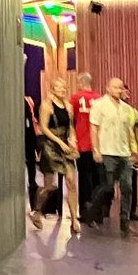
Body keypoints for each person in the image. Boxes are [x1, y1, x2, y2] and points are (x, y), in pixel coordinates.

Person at [88, 77, 138, 233]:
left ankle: (125, 221)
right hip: (107, 151)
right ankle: (92, 213)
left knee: (127, 187)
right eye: (116, 87)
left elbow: (131, 131)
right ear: (108, 88)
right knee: (108, 187)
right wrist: (96, 149)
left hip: (123, 153)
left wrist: (134, 151)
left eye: (121, 88)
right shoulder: (99, 105)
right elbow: (94, 128)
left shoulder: (127, 109)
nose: (119, 90)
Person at [33, 76, 80, 232]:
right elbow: (44, 127)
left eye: (64, 87)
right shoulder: (47, 105)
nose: (62, 90)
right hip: (50, 145)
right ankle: (38, 210)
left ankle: (74, 219)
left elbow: (71, 126)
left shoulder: (68, 106)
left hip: (64, 144)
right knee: (50, 186)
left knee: (72, 182)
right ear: (52, 89)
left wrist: (72, 140)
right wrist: (59, 143)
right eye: (59, 87)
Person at [70, 73, 102, 222]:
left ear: (81, 82)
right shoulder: (100, 99)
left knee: (84, 177)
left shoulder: (76, 98)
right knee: (97, 178)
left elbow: (71, 118)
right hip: (99, 145)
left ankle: (85, 210)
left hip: (82, 144)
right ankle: (98, 210)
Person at [121, 84, 138, 223]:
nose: (126, 92)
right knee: (108, 183)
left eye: (126, 90)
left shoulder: (133, 111)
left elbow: (137, 130)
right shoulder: (111, 110)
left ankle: (131, 211)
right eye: (123, 90)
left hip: (130, 150)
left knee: (131, 182)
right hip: (114, 150)